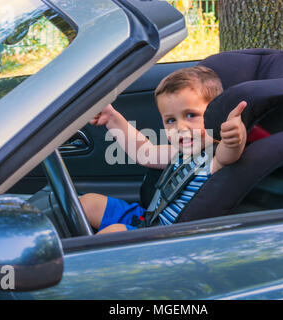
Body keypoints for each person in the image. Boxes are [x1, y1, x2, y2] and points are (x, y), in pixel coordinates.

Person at [79, 66, 247, 234]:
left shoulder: (215, 158)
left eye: (191, 115)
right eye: (170, 120)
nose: (180, 127)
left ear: (217, 114)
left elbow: (230, 152)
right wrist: (111, 118)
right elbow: (144, 153)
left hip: (165, 238)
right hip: (148, 219)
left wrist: (234, 137)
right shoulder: (179, 153)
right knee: (88, 203)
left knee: (114, 231)